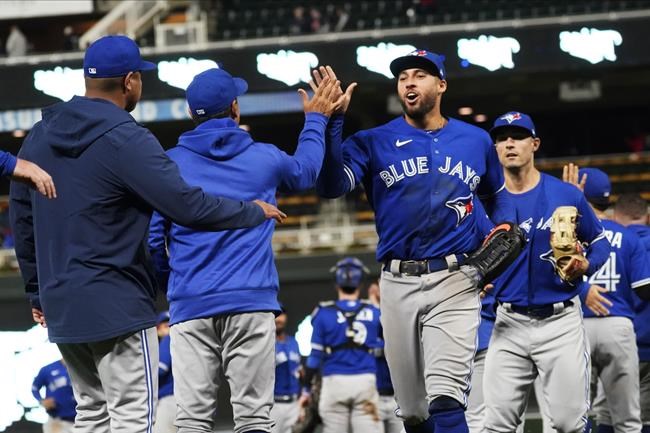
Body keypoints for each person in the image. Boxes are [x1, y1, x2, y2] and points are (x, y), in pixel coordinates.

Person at [9, 35, 283, 433]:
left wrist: (36, 291)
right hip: (117, 301)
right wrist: (250, 211)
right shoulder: (127, 138)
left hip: (62, 302)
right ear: (130, 81)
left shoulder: (37, 136)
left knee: (90, 413)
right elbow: (187, 206)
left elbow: (22, 219)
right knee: (133, 417)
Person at [315, 50, 507, 433]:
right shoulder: (373, 140)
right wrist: (334, 123)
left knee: (447, 400)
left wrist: (490, 253)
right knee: (414, 413)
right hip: (397, 281)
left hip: (456, 278)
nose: (409, 83)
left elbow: (494, 198)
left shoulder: (475, 140)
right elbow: (330, 187)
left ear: (441, 84)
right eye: (403, 77)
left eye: (419, 75)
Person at [147, 66, 343, 433]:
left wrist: (172, 287)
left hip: (191, 303)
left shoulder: (169, 164)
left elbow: (154, 241)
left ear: (191, 114)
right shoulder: (263, 157)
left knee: (191, 420)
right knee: (253, 418)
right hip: (250, 303)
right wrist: (316, 119)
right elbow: (307, 172)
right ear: (235, 108)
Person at [482, 112, 611, 433]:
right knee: (496, 425)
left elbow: (601, 245)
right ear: (494, 147)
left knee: (569, 424)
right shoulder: (486, 202)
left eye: (518, 136)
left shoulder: (565, 194)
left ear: (534, 144)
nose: (509, 143)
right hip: (507, 322)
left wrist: (587, 265)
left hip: (560, 322)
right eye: (502, 138)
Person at [568, 167, 650, 433]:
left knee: (571, 416)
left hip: (576, 325)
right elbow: (643, 290)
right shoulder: (627, 236)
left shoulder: (569, 233)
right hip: (619, 325)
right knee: (628, 420)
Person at [304, 257, 382, 433]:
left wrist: (306, 390)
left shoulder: (323, 312)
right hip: (365, 382)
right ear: (360, 283)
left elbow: (314, 358)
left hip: (334, 383)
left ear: (336, 283)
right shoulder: (375, 312)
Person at [367, 280, 402, 433]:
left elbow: (397, 343)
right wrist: (373, 306)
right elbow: (367, 345)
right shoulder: (368, 315)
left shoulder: (399, 314)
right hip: (374, 396)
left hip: (398, 396)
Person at [271, 308, 302, 433]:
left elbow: (299, 371)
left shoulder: (294, 342)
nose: (279, 319)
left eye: (282, 315)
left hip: (294, 403)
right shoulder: (265, 343)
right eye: (276, 316)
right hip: (273, 404)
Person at [32, 359, 76, 433]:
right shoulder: (48, 369)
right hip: (58, 421)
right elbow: (34, 388)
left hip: (82, 419)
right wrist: (41, 401)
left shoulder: (82, 368)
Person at [155, 311, 175, 433]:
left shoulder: (168, 339)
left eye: (169, 324)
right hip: (183, 398)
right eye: (165, 324)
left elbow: (161, 369)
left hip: (169, 399)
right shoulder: (184, 342)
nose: (168, 326)